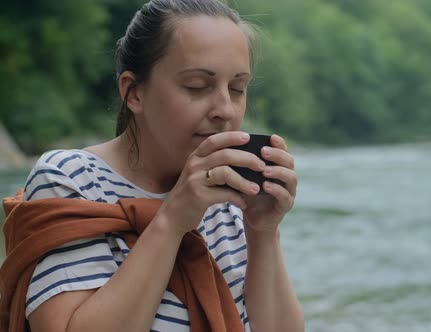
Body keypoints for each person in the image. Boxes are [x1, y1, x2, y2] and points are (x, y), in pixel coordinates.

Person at [12, 0, 304, 331]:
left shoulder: (231, 200)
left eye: (237, 88)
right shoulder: (69, 178)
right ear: (133, 93)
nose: (226, 108)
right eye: (197, 86)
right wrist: (173, 220)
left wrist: (264, 232)